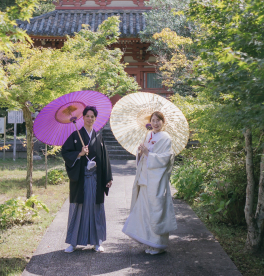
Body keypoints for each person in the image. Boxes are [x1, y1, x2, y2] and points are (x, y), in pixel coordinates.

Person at [121, 111, 177, 254]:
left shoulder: (166, 138)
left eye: (158, 120)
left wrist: (148, 154)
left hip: (156, 181)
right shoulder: (148, 135)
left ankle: (157, 245)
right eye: (153, 120)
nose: (155, 123)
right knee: (144, 212)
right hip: (145, 178)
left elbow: (166, 159)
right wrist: (140, 153)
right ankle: (148, 242)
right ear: (150, 122)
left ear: (163, 122)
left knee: (156, 211)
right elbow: (143, 157)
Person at [61, 105, 113, 253]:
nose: (90, 119)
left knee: (95, 209)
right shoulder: (75, 136)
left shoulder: (99, 137)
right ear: (82, 117)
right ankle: (73, 242)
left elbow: (105, 159)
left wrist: (108, 177)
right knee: (78, 208)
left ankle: (97, 241)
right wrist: (79, 154)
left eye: (92, 116)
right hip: (81, 179)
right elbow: (65, 152)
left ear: (95, 119)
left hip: (96, 180)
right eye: (87, 116)